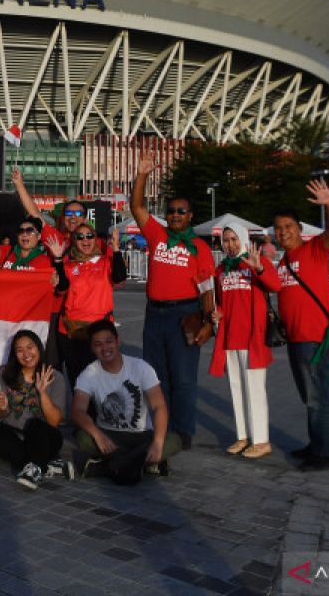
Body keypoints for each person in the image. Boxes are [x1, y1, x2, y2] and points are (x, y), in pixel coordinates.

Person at [130, 150, 215, 450]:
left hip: (184, 315)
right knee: (156, 375)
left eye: (181, 211)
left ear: (190, 216)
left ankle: (183, 430)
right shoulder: (157, 235)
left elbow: (207, 288)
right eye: (171, 211)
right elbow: (137, 206)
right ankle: (159, 425)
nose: (175, 215)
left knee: (183, 377)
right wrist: (142, 174)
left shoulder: (199, 247)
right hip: (155, 315)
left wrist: (208, 321)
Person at [272, 177, 329, 472]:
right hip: (296, 338)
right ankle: (317, 444)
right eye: (279, 229)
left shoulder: (314, 250)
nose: (284, 232)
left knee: (318, 396)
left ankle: (326, 455)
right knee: (309, 395)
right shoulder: (282, 262)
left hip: (313, 337)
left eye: (289, 227)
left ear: (300, 229)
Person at [70, 320, 179, 483]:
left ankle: (107, 466)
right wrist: (98, 435)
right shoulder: (89, 373)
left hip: (141, 435)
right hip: (109, 435)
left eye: (109, 341)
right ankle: (144, 463)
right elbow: (77, 411)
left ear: (118, 341)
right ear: (92, 348)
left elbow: (159, 406)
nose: (105, 348)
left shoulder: (140, 367)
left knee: (173, 441)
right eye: (98, 344)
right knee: (82, 437)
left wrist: (157, 442)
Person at [209, 224, 280, 459]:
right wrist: (217, 313)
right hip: (230, 336)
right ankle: (243, 436)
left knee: (255, 390)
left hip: (253, 336)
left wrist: (259, 268)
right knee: (237, 389)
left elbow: (275, 285)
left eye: (234, 239)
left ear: (243, 238)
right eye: (226, 240)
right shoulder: (221, 270)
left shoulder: (255, 261)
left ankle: (261, 440)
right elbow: (221, 300)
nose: (230, 244)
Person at [0, 329, 73, 489]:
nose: (26, 354)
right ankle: (44, 464)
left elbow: (54, 422)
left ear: (39, 348)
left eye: (30, 347)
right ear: (14, 354)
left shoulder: (55, 377)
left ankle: (34, 470)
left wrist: (43, 392)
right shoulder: (3, 374)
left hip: (45, 435)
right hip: (14, 434)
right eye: (19, 350)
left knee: (35, 425)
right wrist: (0, 407)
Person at [45, 222, 123, 384]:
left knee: (102, 378)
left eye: (89, 236)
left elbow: (119, 277)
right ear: (74, 241)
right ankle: (80, 410)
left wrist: (116, 249)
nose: (85, 240)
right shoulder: (67, 266)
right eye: (80, 237)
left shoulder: (105, 262)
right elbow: (62, 287)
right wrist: (58, 259)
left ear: (95, 239)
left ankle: (98, 410)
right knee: (78, 380)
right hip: (71, 330)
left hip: (100, 330)